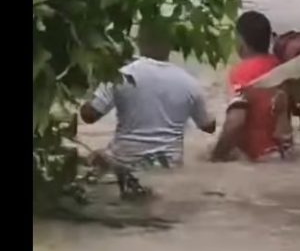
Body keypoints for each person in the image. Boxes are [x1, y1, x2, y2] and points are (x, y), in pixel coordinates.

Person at [80, 24, 216, 198]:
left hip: (124, 164)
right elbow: (208, 126)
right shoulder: (190, 83)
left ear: (139, 42)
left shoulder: (122, 75)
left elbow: (89, 116)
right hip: (169, 170)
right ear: (170, 46)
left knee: (96, 161)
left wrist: (91, 85)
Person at [211, 11, 292, 162]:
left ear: (241, 42)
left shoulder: (241, 72)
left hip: (259, 159)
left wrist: (215, 158)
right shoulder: (280, 66)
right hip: (283, 154)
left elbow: (235, 122)